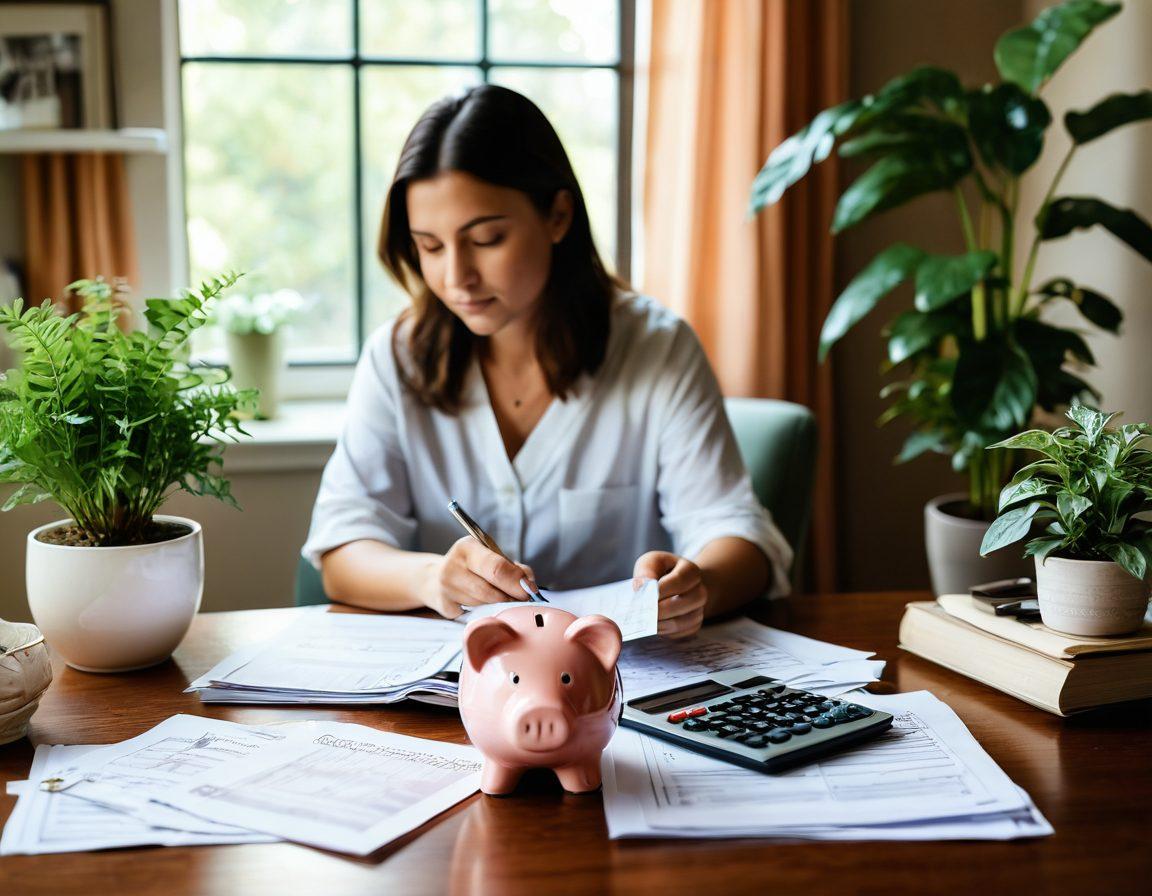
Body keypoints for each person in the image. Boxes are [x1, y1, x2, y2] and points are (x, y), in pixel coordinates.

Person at [303, 85, 791, 639]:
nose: (456, 277)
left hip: (624, 690)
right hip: (460, 692)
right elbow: (343, 551)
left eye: (486, 239)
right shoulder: (397, 359)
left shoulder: (657, 350)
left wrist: (696, 582)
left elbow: (736, 535)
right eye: (430, 247)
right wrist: (433, 578)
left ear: (558, 215)